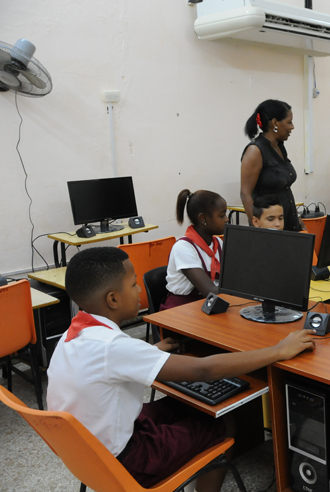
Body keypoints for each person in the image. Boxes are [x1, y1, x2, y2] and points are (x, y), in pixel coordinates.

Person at [46, 247, 315, 491]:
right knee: (223, 422)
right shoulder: (112, 347)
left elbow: (111, 361)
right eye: (133, 284)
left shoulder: (76, 333)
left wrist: (150, 352)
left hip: (88, 454)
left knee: (190, 407)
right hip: (128, 462)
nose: (139, 289)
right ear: (113, 299)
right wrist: (279, 350)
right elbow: (203, 371)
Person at [240, 99, 303, 232]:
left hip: (287, 222)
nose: (292, 127)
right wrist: (258, 229)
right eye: (289, 122)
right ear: (275, 123)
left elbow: (284, 190)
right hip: (269, 228)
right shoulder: (255, 150)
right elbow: (246, 194)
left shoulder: (279, 147)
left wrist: (297, 217)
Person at [161, 189, 227, 310]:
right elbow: (210, 291)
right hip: (181, 309)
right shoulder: (183, 248)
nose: (226, 219)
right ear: (203, 219)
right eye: (221, 215)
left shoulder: (218, 243)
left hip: (209, 304)